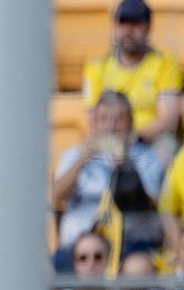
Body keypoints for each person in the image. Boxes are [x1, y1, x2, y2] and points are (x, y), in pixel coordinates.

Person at [53, 91, 164, 273]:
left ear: (131, 123)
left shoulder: (147, 157)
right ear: (93, 124)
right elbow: (56, 195)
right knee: (44, 270)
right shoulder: (74, 155)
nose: (111, 127)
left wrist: (126, 166)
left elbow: (150, 202)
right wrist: (81, 162)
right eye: (104, 119)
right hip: (79, 247)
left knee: (138, 269)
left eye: (119, 120)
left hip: (129, 245)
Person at [83, 0, 180, 161]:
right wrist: (116, 142)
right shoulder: (96, 67)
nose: (128, 31)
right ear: (114, 27)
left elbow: (168, 120)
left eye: (136, 24)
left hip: (150, 141)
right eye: (123, 23)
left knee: (167, 148)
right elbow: (93, 120)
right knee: (76, 156)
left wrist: (135, 138)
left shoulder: (165, 63)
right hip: (109, 138)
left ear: (148, 27)